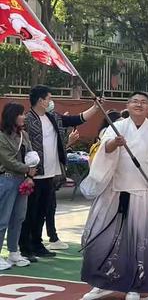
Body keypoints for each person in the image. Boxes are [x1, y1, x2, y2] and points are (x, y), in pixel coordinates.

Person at [80, 91, 148, 300]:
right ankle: (100, 283)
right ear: (127, 105)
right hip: (114, 191)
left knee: (139, 241)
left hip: (141, 194)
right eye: (135, 101)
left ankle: (135, 286)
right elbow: (103, 151)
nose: (139, 105)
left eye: (143, 102)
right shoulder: (116, 128)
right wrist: (113, 144)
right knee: (103, 237)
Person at [19, 85, 101, 262]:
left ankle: (37, 243)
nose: (51, 101)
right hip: (34, 174)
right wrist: (26, 171)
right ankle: (24, 247)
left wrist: (95, 107)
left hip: (51, 173)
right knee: (29, 213)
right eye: (49, 98)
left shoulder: (52, 117)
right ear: (40, 100)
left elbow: (75, 119)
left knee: (42, 211)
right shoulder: (26, 120)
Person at [0, 103, 38, 270]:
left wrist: (30, 175)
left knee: (18, 217)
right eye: (21, 114)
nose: (24, 117)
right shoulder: (1, 137)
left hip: (23, 180)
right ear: (12, 116)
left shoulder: (24, 135)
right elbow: (7, 161)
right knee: (3, 219)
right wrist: (28, 170)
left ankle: (14, 252)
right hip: (6, 180)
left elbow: (30, 154)